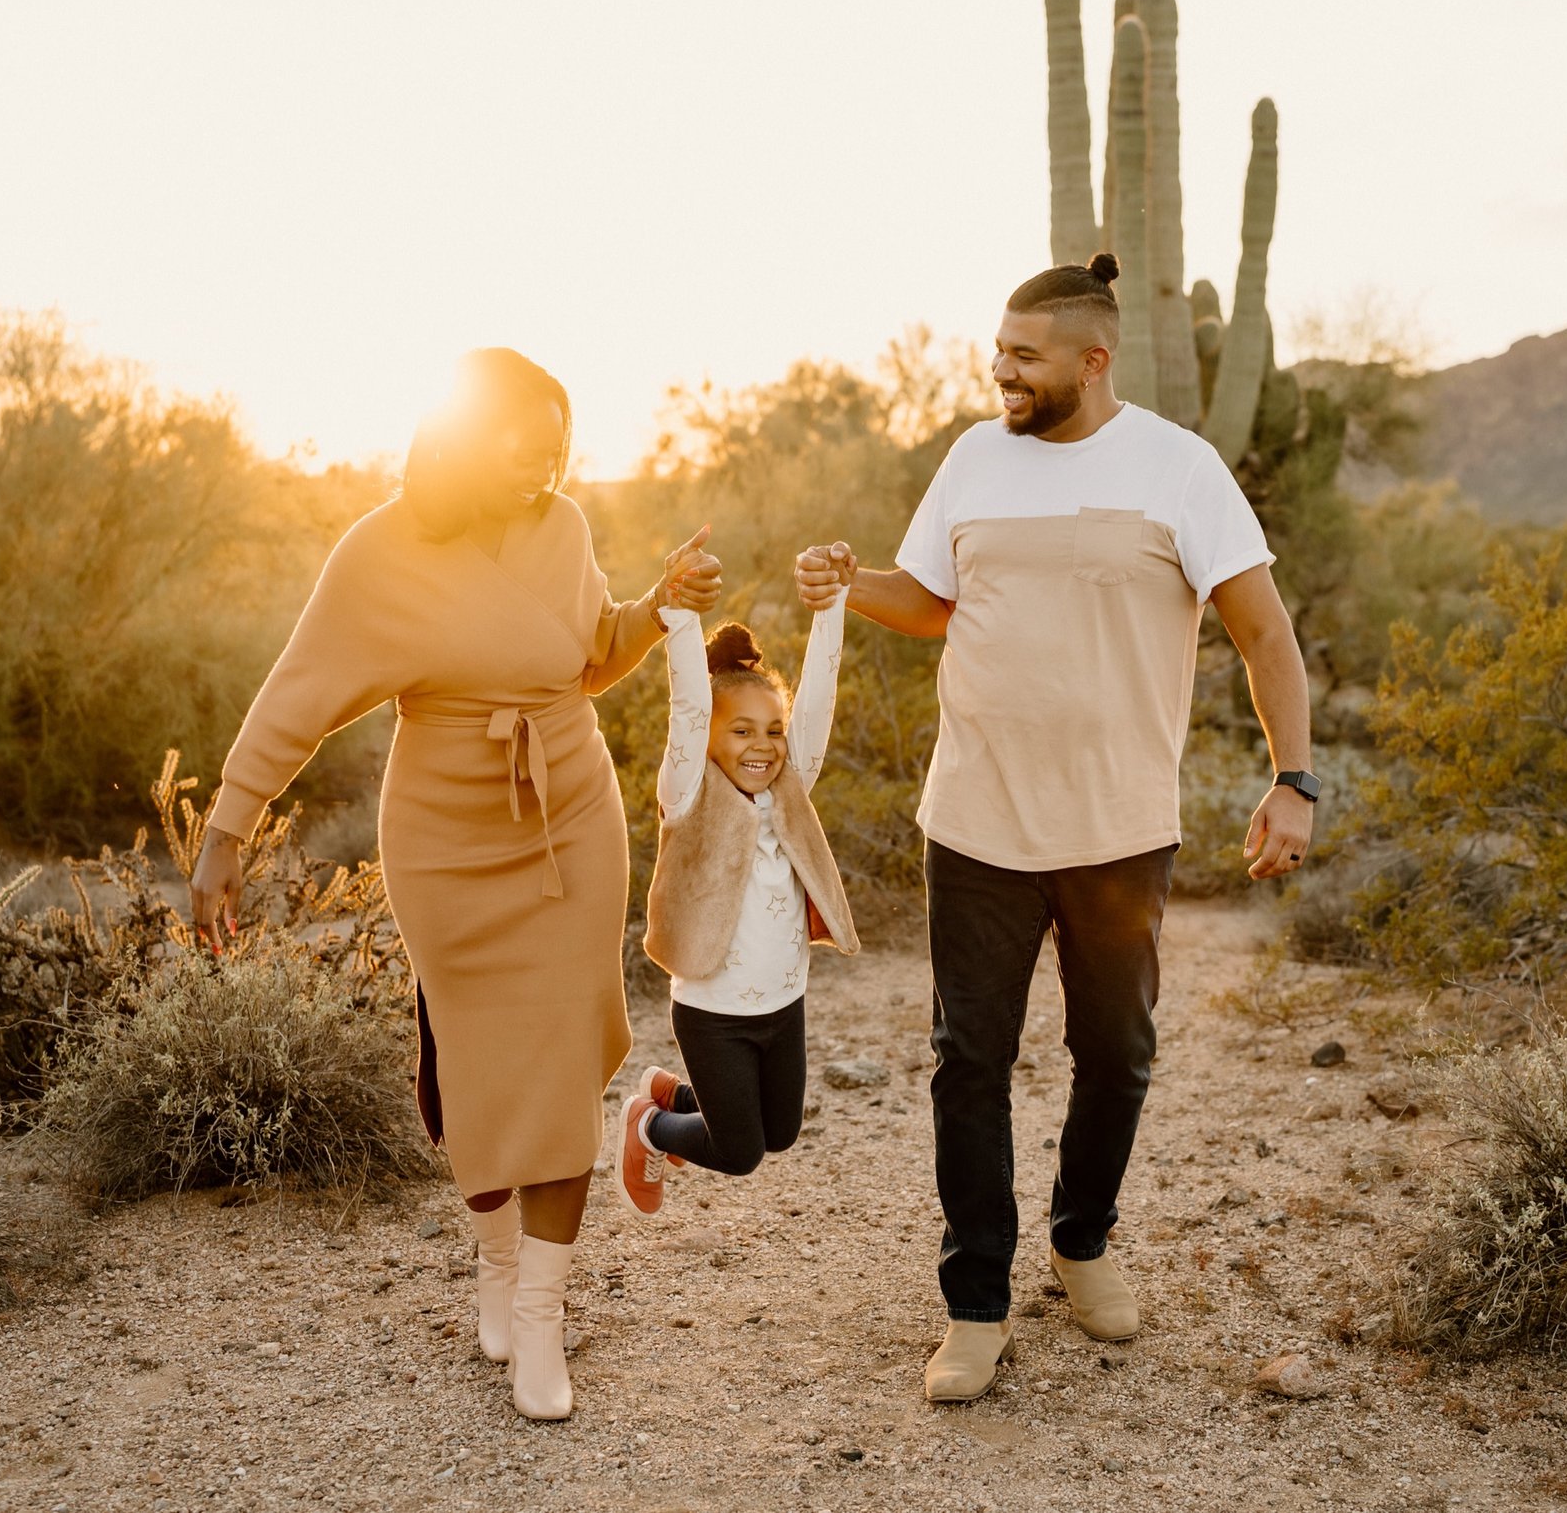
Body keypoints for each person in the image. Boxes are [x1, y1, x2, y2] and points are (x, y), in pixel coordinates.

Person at [795, 252, 1316, 1403]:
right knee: (965, 1064)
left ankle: (1081, 1243)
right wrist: (847, 582)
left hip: (1119, 830)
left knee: (1115, 1055)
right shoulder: (975, 459)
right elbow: (931, 603)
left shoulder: (1179, 468)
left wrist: (1295, 778)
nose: (1001, 372)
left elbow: (1264, 634)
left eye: (1024, 357)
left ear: (1093, 360)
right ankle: (974, 1303)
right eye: (998, 352)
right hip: (975, 822)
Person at [188, 348, 720, 1422]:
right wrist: (225, 831)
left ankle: (540, 1315)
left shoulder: (562, 527)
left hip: (570, 815)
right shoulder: (381, 551)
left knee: (563, 1059)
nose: (544, 470)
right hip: (445, 834)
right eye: (523, 451)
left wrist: (655, 603)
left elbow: (584, 656)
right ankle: (492, 1255)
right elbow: (296, 695)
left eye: (559, 451)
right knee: (472, 1064)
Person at [613, 594, 857, 1215]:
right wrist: (682, 617)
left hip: (785, 1003)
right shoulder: (688, 793)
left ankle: (678, 1096)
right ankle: (649, 1124)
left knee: (781, 1134)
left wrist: (834, 606)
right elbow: (689, 709)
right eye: (741, 730)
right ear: (711, 741)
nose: (763, 745)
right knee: (741, 1150)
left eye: (773, 730)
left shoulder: (789, 791)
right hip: (713, 1015)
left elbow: (819, 702)